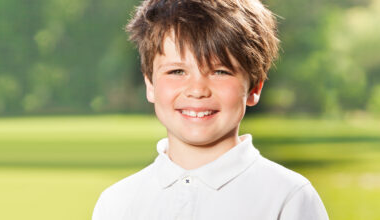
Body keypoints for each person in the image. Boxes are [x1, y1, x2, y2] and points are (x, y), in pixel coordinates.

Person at [92, 0, 329, 219]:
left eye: (220, 72)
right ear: (150, 85)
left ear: (254, 87)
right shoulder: (117, 204)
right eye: (177, 72)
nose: (197, 90)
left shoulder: (288, 197)